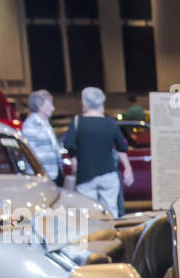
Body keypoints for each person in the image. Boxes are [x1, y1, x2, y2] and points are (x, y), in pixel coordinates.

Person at [62, 86, 133, 217]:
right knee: (111, 210)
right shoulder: (110, 123)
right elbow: (122, 147)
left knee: (89, 213)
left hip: (86, 174)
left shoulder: (78, 122)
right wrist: (128, 168)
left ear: (84, 103)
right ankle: (112, 235)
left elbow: (68, 144)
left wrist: (74, 157)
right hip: (109, 175)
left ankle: (94, 236)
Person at [20, 89, 63, 184]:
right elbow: (30, 153)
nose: (53, 108)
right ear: (40, 106)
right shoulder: (31, 124)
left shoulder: (45, 123)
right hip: (39, 177)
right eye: (50, 105)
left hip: (50, 175)